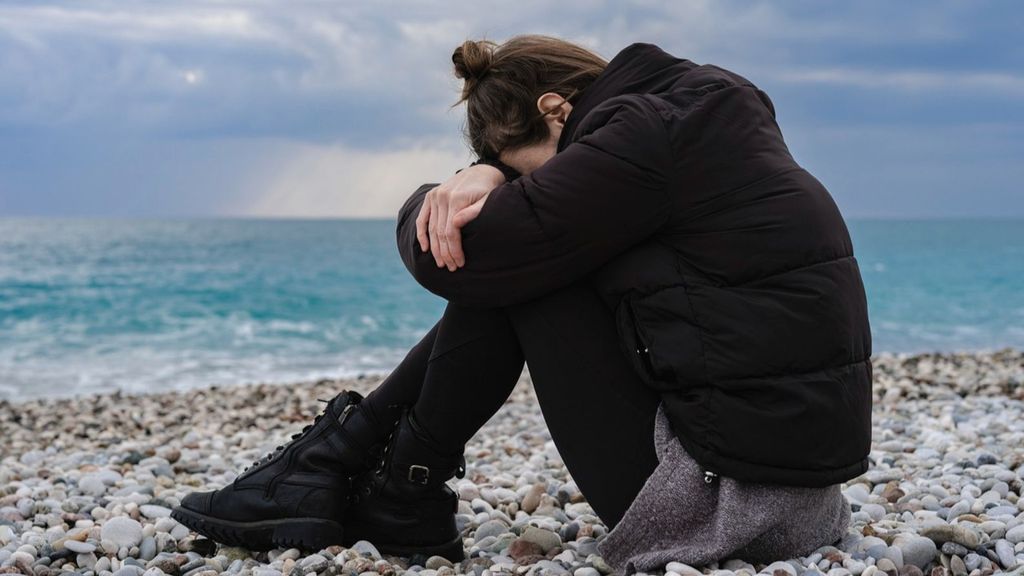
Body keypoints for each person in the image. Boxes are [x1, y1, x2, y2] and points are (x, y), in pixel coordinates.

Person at [172, 35, 872, 574]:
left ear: (555, 109)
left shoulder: (640, 136)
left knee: (525, 272)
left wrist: (442, 196)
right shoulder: (693, 111)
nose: (524, 185)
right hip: (796, 493)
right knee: (534, 260)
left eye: (521, 171)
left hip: (734, 507)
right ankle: (372, 483)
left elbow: (468, 258)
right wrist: (490, 171)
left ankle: (364, 479)